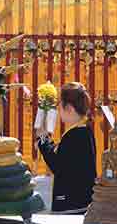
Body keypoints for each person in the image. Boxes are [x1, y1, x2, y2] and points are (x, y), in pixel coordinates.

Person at [36, 82, 96, 214]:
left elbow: (57, 165)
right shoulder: (83, 130)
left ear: (69, 108)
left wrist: (42, 140)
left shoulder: (75, 135)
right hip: (81, 201)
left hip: (71, 203)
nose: (58, 110)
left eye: (60, 106)